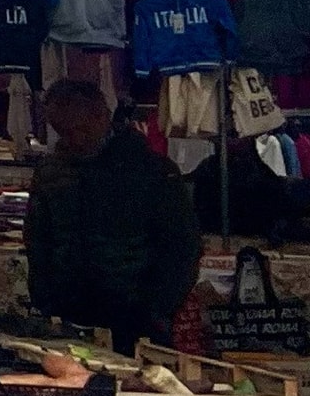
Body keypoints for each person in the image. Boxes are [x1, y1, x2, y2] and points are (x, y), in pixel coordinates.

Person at [26, 78, 202, 350]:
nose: (73, 139)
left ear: (102, 116)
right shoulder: (50, 174)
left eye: (79, 129)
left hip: (137, 318)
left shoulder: (151, 171)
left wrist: (156, 309)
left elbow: (182, 247)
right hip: (69, 315)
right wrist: (46, 298)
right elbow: (37, 242)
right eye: (63, 131)